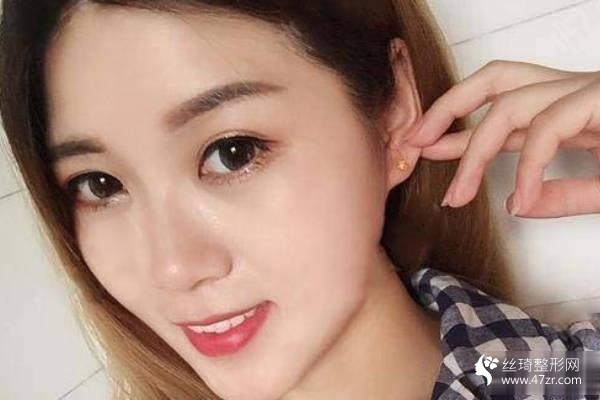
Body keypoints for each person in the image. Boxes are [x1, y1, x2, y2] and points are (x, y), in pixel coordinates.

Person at [0, 1, 597, 399]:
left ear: (393, 113)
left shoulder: (557, 377)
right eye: (100, 185)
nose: (174, 267)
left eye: (232, 152)